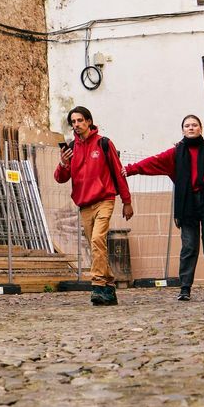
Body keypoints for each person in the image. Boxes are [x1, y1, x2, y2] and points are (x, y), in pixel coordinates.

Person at [124, 115, 204, 301]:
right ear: (183, 130)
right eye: (187, 125)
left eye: (195, 125)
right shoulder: (176, 152)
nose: (191, 128)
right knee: (188, 246)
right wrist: (130, 169)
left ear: (201, 128)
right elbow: (153, 162)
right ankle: (185, 288)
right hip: (187, 203)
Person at [54, 106, 134, 306]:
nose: (77, 125)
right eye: (73, 122)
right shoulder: (71, 148)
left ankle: (98, 285)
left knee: (98, 239)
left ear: (89, 121)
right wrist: (63, 164)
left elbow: (118, 173)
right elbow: (60, 178)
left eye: (80, 120)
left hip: (105, 200)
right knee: (96, 247)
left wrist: (126, 201)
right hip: (84, 205)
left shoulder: (104, 144)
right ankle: (109, 288)